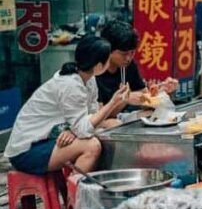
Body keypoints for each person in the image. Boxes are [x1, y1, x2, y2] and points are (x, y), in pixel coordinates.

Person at [5, 36, 129, 174]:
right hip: (27, 150)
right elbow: (83, 128)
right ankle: (75, 193)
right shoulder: (70, 85)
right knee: (92, 146)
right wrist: (113, 102)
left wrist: (73, 131)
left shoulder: (88, 79)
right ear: (99, 66)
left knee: (114, 124)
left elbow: (90, 116)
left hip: (49, 138)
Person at [97, 20, 178, 115]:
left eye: (132, 52)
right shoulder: (96, 71)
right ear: (108, 49)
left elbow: (145, 101)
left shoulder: (128, 66)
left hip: (123, 116)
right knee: (112, 123)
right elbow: (98, 117)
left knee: (153, 114)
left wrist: (159, 93)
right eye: (124, 54)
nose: (128, 58)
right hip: (101, 121)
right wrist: (125, 99)